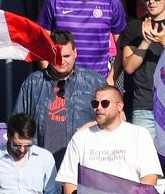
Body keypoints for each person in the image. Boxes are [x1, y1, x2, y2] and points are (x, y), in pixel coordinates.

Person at [55, 86, 162, 194]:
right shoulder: (81, 138)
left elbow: (149, 179)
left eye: (105, 103)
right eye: (95, 103)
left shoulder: (139, 135)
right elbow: (70, 182)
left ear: (120, 106)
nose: (99, 108)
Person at [12, 30, 106, 160]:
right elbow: (17, 124)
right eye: (56, 56)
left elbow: (115, 120)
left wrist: (93, 124)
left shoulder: (95, 82)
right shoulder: (33, 83)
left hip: (83, 163)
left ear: (75, 53)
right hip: (40, 164)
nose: (61, 61)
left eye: (66, 56)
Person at [119, 0, 165, 135]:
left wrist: (164, 41)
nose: (151, 1)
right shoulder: (134, 27)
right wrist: (145, 42)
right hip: (144, 105)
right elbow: (129, 68)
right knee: (143, 159)